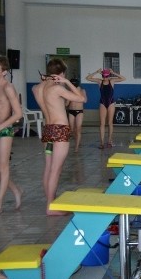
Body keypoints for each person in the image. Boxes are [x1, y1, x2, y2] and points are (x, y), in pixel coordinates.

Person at [32, 58, 87, 215]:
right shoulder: (57, 88)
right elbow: (81, 98)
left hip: (48, 130)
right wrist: (67, 82)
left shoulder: (38, 88)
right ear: (62, 73)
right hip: (60, 130)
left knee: (48, 168)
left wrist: (47, 79)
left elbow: (38, 88)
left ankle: (51, 201)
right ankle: (51, 207)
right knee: (56, 170)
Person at [0, 56, 23, 214]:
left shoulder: (8, 87)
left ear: (4, 72)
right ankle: (16, 190)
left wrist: (0, 126)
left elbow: (18, 114)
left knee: (3, 167)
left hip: (5, 130)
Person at [85, 67, 125, 149]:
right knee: (102, 124)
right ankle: (102, 143)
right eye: (104, 76)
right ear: (102, 76)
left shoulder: (112, 81)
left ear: (108, 76)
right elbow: (88, 78)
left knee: (110, 123)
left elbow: (123, 78)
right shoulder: (100, 82)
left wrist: (114, 73)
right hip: (102, 103)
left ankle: (109, 141)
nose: (105, 78)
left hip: (111, 103)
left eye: (106, 76)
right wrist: (96, 71)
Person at [66, 78, 86, 152]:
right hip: (71, 111)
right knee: (71, 129)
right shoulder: (69, 91)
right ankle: (77, 140)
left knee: (78, 128)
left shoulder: (82, 91)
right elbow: (67, 104)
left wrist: (77, 95)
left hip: (79, 111)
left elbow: (85, 100)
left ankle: (76, 147)